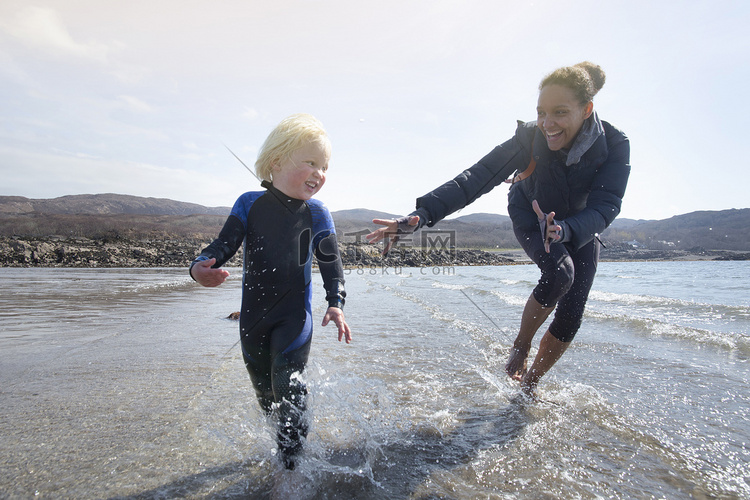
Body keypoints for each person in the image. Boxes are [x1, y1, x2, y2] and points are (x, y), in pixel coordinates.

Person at [367, 62, 630, 397]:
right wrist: (421, 214)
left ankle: (529, 387)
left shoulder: (615, 144)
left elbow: (607, 204)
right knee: (560, 274)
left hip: (579, 226)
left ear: (587, 109)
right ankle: (521, 346)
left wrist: (566, 230)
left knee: (572, 312)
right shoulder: (529, 140)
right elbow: (473, 180)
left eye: (560, 113)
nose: (547, 124)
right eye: (541, 113)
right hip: (530, 212)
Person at [190, 113, 351, 469]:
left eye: (324, 166)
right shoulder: (249, 203)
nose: (319, 173)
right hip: (252, 322)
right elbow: (224, 244)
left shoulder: (318, 214)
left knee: (288, 383)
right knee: (266, 396)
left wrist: (336, 304)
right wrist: (198, 267)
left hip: (294, 318)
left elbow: (330, 264)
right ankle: (286, 452)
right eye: (310, 162)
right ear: (277, 162)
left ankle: (291, 472)